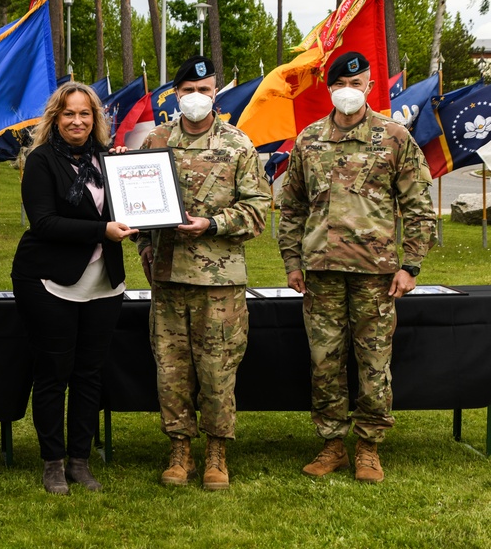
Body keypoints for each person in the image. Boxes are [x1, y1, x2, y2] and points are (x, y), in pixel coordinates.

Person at [278, 51, 436, 484]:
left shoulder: (394, 137)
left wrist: (412, 266)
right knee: (324, 360)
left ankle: (368, 447)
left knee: (373, 361)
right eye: (343, 84)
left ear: (370, 87)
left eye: (360, 83)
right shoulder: (309, 139)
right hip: (321, 273)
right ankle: (332, 444)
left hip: (376, 276)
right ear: (331, 88)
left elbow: (419, 206)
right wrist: (292, 260)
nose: (351, 90)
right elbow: (290, 206)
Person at [136, 56, 269, 491]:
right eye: (189, 91)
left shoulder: (237, 145)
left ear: (217, 94)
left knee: (217, 369)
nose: (198, 98)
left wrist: (211, 224)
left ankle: (216, 451)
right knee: (171, 369)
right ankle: (179, 449)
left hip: (220, 283)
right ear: (175, 94)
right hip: (169, 277)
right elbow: (135, 198)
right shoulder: (156, 140)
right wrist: (143, 247)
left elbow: (258, 210)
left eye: (206, 90)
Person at [11, 82, 137, 495]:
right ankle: (52, 462)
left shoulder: (108, 160)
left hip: (103, 283)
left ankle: (80, 461)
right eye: (69, 114)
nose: (77, 121)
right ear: (55, 118)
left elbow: (133, 209)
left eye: (85, 114)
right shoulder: (41, 161)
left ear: (96, 118)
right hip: (50, 280)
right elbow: (44, 222)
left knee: (90, 374)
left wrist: (129, 180)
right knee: (54, 372)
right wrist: (102, 229)